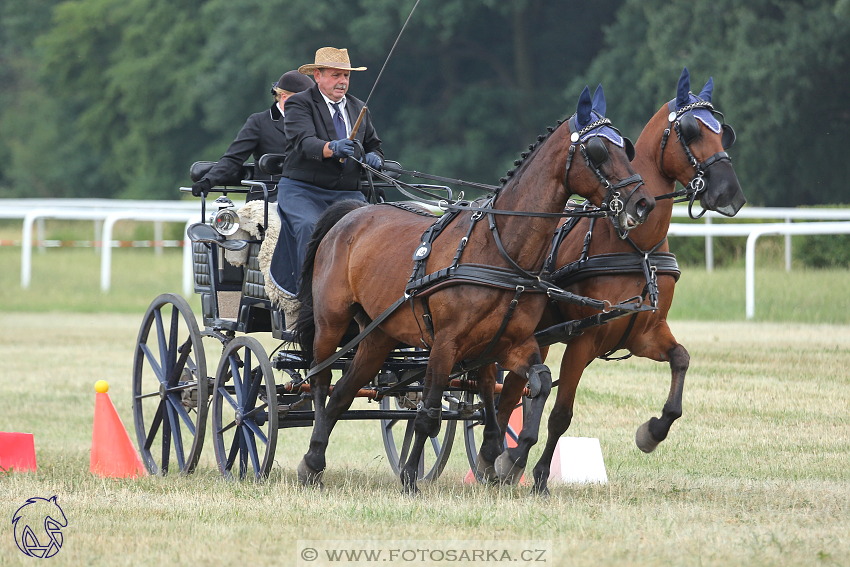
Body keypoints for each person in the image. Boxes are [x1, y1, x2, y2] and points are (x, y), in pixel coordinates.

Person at [269, 47, 384, 300]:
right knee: (311, 227)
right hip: (302, 190)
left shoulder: (359, 107)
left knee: (373, 233)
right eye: (335, 75)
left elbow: (374, 143)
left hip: (348, 192)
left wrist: (375, 156)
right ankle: (311, 299)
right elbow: (303, 141)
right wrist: (331, 147)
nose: (342, 81)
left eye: (346, 76)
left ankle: (365, 295)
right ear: (318, 76)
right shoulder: (300, 102)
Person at [191, 70, 314, 201]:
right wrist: (208, 181)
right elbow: (234, 158)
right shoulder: (259, 122)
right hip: (270, 197)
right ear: (284, 97)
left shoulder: (313, 122)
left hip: (308, 195)